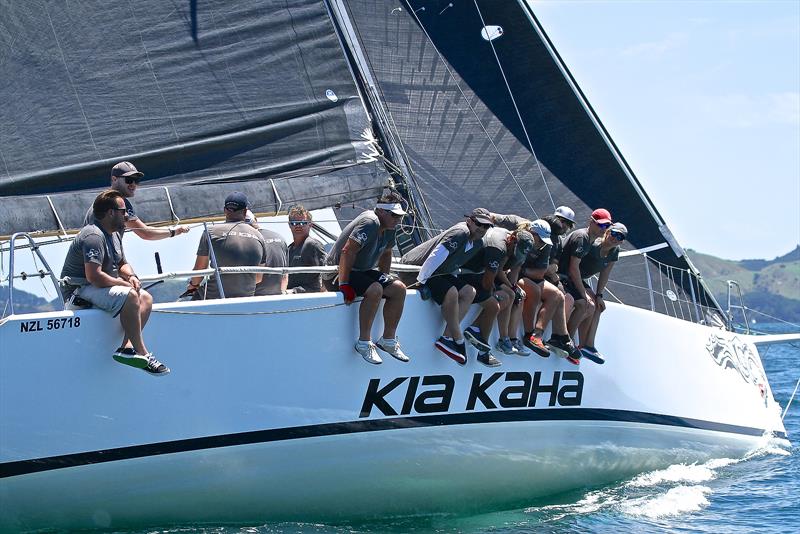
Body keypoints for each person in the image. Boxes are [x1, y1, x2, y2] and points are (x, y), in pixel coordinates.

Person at [61, 190, 169, 375]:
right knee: (129, 295)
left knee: (146, 298)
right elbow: (93, 277)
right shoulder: (93, 236)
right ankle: (142, 352)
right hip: (79, 290)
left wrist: (132, 276)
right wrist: (123, 284)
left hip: (96, 287)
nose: (127, 214)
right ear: (111, 212)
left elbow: (121, 263)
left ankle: (127, 348)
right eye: (123, 210)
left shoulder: (115, 234)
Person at [323, 192, 410, 365]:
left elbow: (386, 253)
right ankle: (364, 342)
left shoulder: (390, 227)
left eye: (399, 216)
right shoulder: (371, 222)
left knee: (399, 289)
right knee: (375, 289)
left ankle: (388, 340)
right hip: (336, 272)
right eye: (394, 215)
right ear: (381, 211)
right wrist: (345, 284)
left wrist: (385, 276)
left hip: (361, 271)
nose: (397, 219)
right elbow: (348, 252)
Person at [400, 208, 491, 365]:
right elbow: (435, 257)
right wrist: (421, 282)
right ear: (469, 220)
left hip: (438, 272)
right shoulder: (460, 232)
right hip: (416, 270)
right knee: (452, 292)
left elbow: (453, 263)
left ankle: (447, 338)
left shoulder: (478, 243)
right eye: (479, 224)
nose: (482, 229)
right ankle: (458, 339)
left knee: (470, 292)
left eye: (486, 226)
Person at [460, 226, 535, 367]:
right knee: (494, 304)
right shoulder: (497, 247)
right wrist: (494, 295)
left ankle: (477, 329)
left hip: (480, 273)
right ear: (512, 240)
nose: (515, 254)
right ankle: (483, 352)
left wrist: (511, 287)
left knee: (509, 296)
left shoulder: (510, 241)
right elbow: (488, 282)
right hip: (467, 272)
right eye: (515, 251)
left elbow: (497, 274)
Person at [557, 208, 613, 364]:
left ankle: (574, 343)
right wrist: (582, 293)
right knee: (584, 303)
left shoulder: (590, 239)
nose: (603, 229)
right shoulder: (583, 237)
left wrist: (597, 295)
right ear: (591, 222)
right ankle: (564, 340)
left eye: (606, 226)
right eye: (600, 225)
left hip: (569, 277)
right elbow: (573, 269)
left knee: (589, 305)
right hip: (562, 276)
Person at [187, 192, 267, 299]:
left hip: (214, 298)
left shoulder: (210, 231)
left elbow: (199, 270)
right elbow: (258, 278)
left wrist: (193, 286)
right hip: (245, 300)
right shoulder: (259, 236)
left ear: (225, 210)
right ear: (245, 211)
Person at [84, 161, 189, 240]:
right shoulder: (114, 202)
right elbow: (146, 233)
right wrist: (176, 231)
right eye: (129, 180)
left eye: (136, 180)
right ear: (114, 179)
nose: (133, 184)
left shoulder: (106, 199)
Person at [574, 222, 627, 364]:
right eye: (614, 233)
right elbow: (573, 266)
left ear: (622, 241)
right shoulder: (593, 245)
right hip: (571, 276)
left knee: (598, 306)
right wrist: (583, 292)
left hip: (582, 280)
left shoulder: (614, 251)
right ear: (607, 232)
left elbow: (605, 274)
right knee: (588, 305)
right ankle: (568, 338)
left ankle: (587, 345)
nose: (615, 238)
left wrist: (599, 295)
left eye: (620, 237)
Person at [246, 210, 289, 296]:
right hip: (278, 296)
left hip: (256, 297)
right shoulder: (280, 237)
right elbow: (285, 276)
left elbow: (257, 278)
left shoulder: (250, 240)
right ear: (256, 220)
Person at [285, 205, 326, 293]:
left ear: (310, 224)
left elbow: (327, 273)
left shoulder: (313, 245)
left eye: (303, 223)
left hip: (308, 295)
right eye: (294, 223)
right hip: (290, 295)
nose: (298, 226)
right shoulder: (289, 249)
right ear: (289, 225)